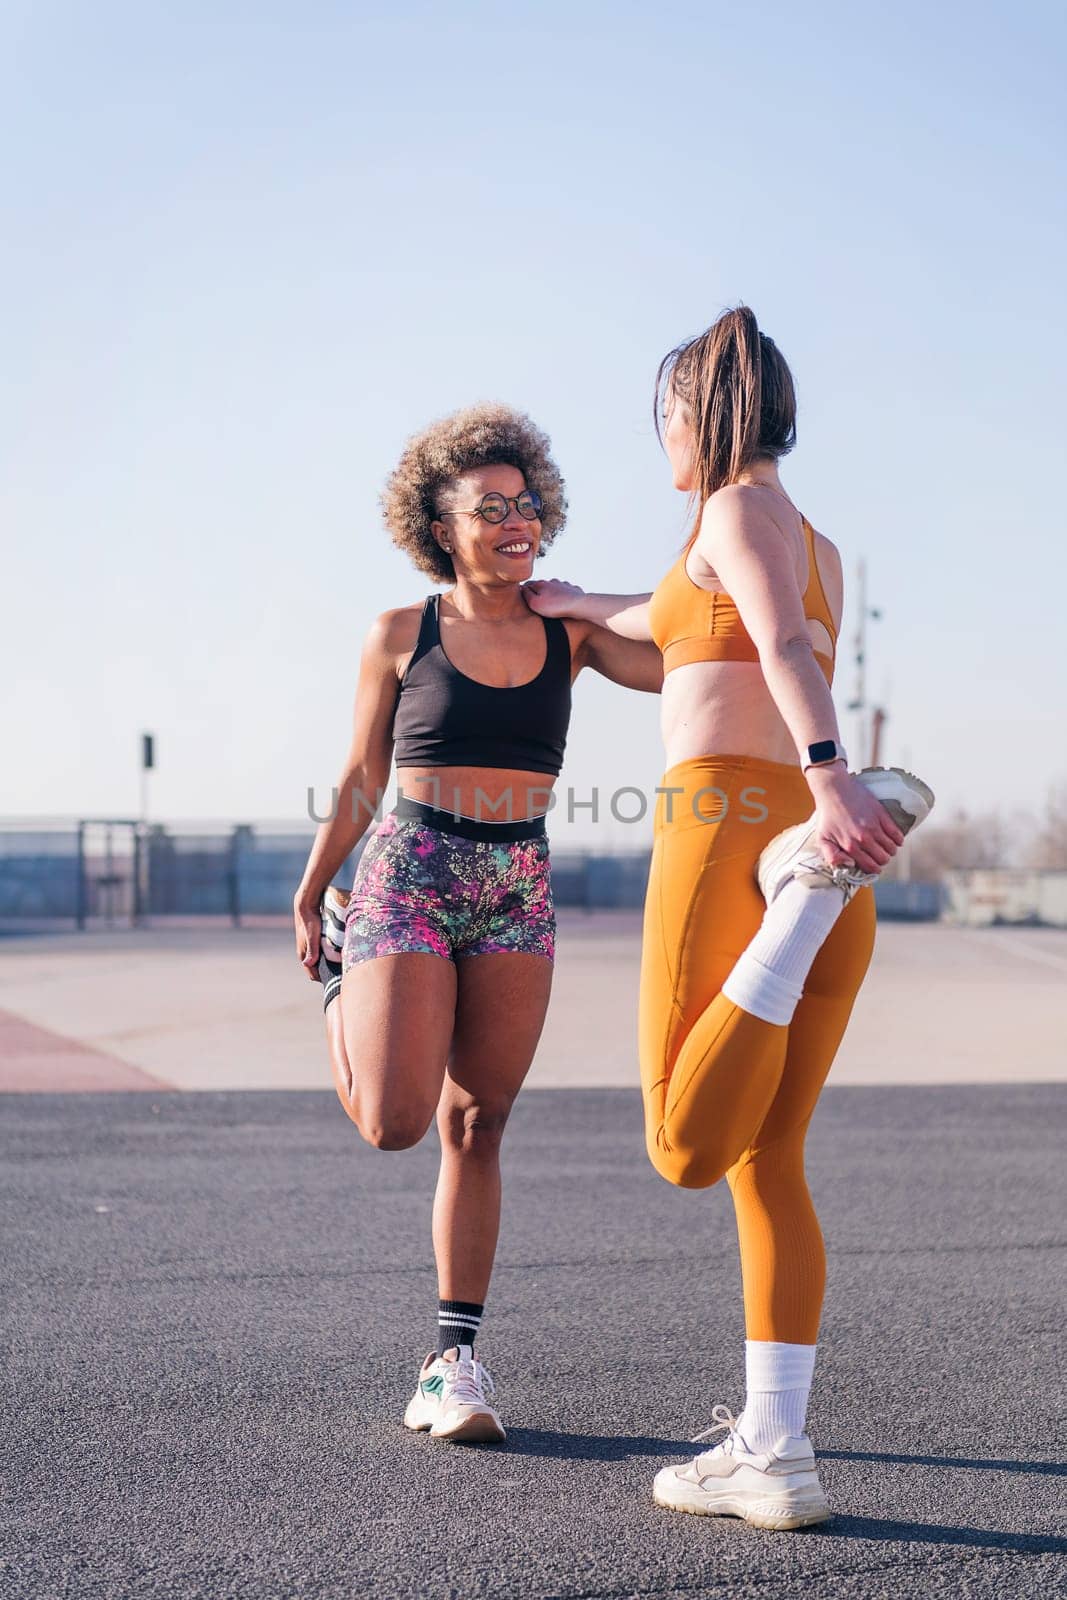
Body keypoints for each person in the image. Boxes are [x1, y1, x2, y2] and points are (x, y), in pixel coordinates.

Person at [524, 307, 934, 1527]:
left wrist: (831, 782)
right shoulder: (807, 538)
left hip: (739, 839)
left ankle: (791, 908)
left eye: (662, 414)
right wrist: (575, 604)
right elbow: (692, 623)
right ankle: (776, 1451)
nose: (657, 437)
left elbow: (777, 656)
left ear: (697, 413)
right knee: (770, 1163)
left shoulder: (726, 511)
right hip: (816, 861)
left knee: (680, 1145)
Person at [293, 403, 660, 1444]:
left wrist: (587, 596)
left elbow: (691, 640)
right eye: (488, 506)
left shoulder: (570, 633)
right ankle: (340, 995)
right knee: (395, 1122)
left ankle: (449, 1360)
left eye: (526, 502)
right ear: (439, 526)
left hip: (517, 880)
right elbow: (364, 772)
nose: (514, 519)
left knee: (477, 1122)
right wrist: (316, 884)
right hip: (409, 868)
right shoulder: (399, 633)